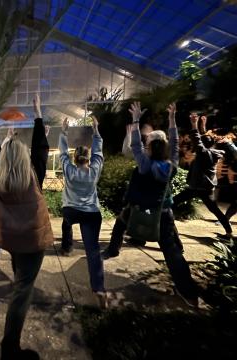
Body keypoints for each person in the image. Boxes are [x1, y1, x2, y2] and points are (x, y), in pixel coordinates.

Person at [114, 102, 199, 306]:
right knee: (172, 253)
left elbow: (135, 145)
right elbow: (176, 144)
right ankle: (189, 294)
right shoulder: (171, 165)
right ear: (167, 147)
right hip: (164, 212)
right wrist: (172, 119)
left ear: (149, 147)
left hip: (143, 211)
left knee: (122, 224)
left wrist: (135, 121)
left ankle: (113, 249)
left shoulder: (144, 165)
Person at [0, 95, 53, 359]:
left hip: (11, 239)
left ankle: (11, 344)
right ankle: (9, 349)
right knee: (22, 290)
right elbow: (41, 148)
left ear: (3, 158)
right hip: (32, 240)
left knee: (20, 278)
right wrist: (38, 113)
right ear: (24, 157)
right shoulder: (34, 173)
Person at [59, 115, 108, 308]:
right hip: (90, 214)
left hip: (71, 212)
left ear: (75, 158)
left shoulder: (69, 170)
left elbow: (62, 153)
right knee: (92, 251)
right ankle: (99, 289)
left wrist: (64, 131)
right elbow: (99, 152)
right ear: (87, 158)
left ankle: (66, 246)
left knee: (66, 222)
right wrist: (96, 131)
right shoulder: (94, 170)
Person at [172, 114, 232, 239]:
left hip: (198, 187)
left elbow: (197, 140)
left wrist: (194, 124)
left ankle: (164, 224)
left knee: (172, 202)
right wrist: (203, 126)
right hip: (205, 188)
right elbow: (205, 140)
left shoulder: (204, 153)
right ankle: (229, 232)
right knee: (215, 210)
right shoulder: (213, 152)